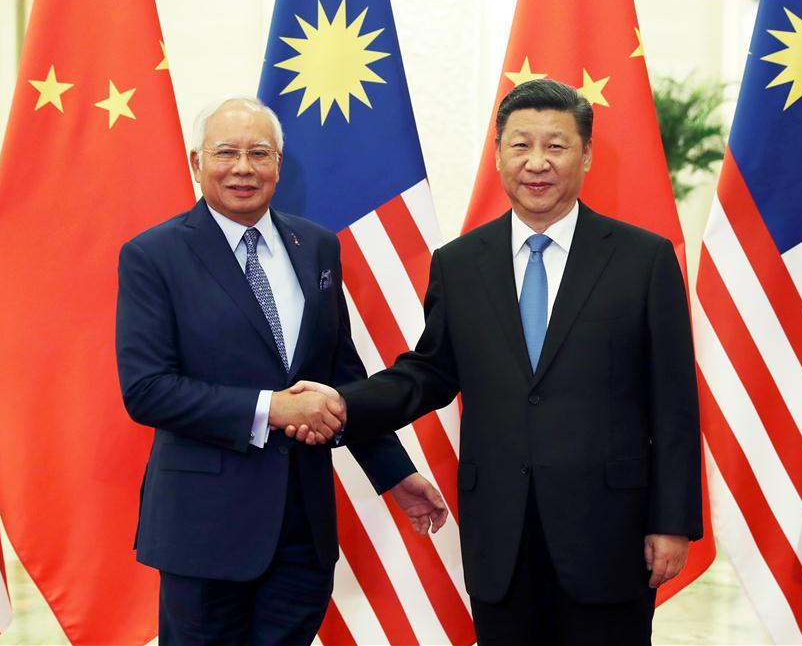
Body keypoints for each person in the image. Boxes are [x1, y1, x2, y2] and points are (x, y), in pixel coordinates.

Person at [290, 79, 703, 645]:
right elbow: (429, 372)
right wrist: (342, 402)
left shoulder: (643, 260)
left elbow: (674, 404)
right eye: (520, 145)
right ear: (499, 155)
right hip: (500, 535)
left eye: (556, 146)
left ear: (586, 156)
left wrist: (672, 521)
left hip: (610, 533)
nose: (537, 162)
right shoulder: (461, 264)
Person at [115, 96, 447, 646]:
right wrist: (273, 409)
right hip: (204, 532)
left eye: (258, 153)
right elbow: (147, 390)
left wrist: (395, 473)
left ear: (279, 166)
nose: (243, 168)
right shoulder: (153, 255)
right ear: (197, 163)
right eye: (226, 153)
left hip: (302, 530)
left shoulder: (315, 245)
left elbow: (341, 373)